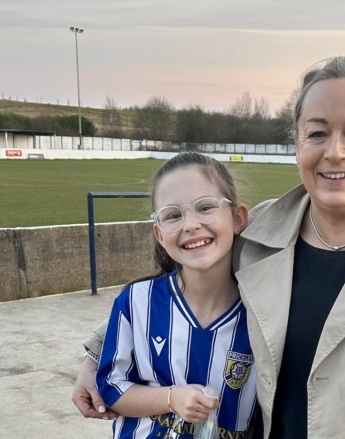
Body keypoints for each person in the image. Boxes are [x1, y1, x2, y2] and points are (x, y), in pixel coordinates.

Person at [74, 56, 345, 438]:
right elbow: (183, 286)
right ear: (296, 143)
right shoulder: (261, 232)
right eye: (317, 133)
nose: (335, 152)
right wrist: (96, 356)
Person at [92, 151, 258, 438]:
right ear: (159, 234)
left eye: (206, 207)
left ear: (238, 218)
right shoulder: (136, 301)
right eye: (173, 215)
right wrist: (171, 398)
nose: (191, 224)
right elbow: (110, 387)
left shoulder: (263, 312)